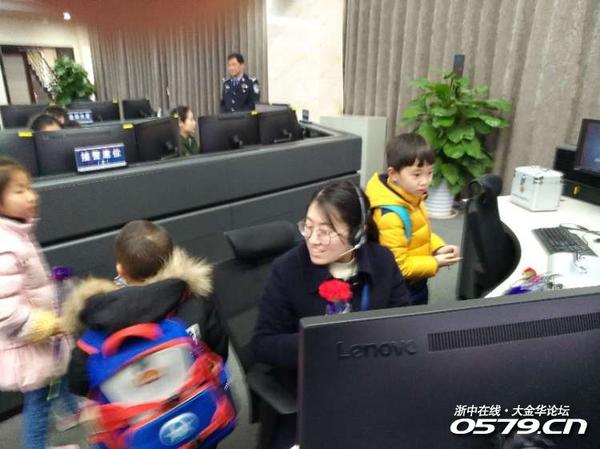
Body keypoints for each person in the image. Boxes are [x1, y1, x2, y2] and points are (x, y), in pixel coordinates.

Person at [254, 180, 412, 449]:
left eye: (326, 231)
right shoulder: (287, 270)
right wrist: (319, 341)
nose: (314, 240)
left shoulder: (382, 261)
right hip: (311, 390)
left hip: (374, 381)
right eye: (308, 227)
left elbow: (405, 324)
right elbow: (263, 344)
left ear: (358, 234)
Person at [63, 220, 228, 396]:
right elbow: (219, 350)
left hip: (137, 412)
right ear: (172, 258)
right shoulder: (196, 301)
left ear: (120, 270)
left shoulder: (96, 330)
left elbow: (78, 384)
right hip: (199, 402)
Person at [0, 157, 79, 449]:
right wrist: (46, 325)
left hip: (42, 339)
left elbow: (23, 284)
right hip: (29, 343)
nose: (31, 196)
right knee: (38, 402)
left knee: (57, 369)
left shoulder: (17, 233)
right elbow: (5, 312)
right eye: (19, 190)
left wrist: (51, 284)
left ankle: (70, 412)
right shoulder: (5, 245)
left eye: (30, 187)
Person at [365, 133, 461, 305]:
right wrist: (435, 262)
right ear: (393, 174)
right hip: (401, 287)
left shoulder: (411, 196)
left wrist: (438, 247)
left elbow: (418, 232)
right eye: (416, 175)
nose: (425, 181)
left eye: (430, 173)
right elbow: (398, 267)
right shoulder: (390, 216)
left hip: (417, 277)